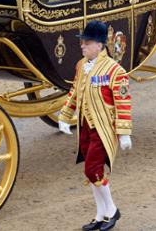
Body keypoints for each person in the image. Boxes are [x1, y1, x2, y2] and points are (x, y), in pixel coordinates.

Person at [58, 20, 132, 231]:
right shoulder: (81, 66)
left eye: (87, 43)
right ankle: (101, 214)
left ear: (99, 45)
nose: (82, 46)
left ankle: (111, 210)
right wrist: (65, 115)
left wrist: (124, 133)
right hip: (85, 126)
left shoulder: (115, 71)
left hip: (103, 127)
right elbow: (74, 92)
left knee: (92, 169)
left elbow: (123, 102)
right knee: (91, 171)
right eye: (82, 42)